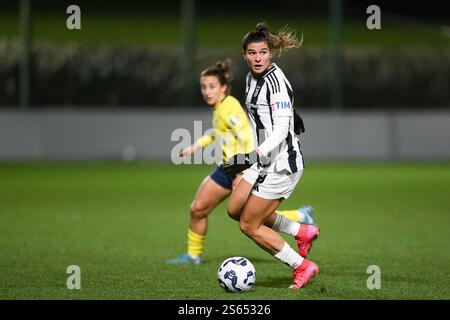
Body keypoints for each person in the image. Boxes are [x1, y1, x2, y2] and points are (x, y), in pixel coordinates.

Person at [166, 59, 317, 265]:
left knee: (249, 218)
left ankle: (300, 224)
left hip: (241, 169)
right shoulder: (220, 108)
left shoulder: (229, 107)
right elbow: (217, 132)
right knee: (198, 209)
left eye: (212, 87)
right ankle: (193, 256)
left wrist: (243, 172)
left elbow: (246, 135)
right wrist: (196, 146)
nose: (207, 91)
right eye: (204, 87)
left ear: (224, 88)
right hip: (227, 168)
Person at [224, 22, 319, 289]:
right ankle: (302, 231)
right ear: (244, 55)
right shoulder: (250, 78)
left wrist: (251, 156)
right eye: (252, 53)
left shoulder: (275, 83)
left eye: (263, 52)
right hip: (262, 159)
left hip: (281, 164)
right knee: (234, 209)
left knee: (249, 225)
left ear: (271, 53)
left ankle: (302, 267)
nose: (258, 58)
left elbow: (278, 132)